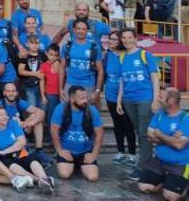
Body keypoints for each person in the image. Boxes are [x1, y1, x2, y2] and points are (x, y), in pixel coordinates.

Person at [138, 87, 189, 201]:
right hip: (159, 161)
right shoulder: (159, 115)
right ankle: (167, 180)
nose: (158, 99)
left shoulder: (187, 120)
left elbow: (179, 145)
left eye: (161, 97)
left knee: (171, 196)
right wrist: (171, 139)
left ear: (171, 101)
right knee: (144, 187)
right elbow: (150, 137)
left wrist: (161, 135)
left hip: (181, 164)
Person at [117, 27, 161, 178]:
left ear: (135, 38)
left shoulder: (145, 55)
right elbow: (122, 81)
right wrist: (119, 101)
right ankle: (147, 162)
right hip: (128, 100)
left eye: (130, 37)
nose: (127, 40)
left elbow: (155, 78)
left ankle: (143, 166)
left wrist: (155, 100)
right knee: (139, 131)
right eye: (124, 38)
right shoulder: (122, 58)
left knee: (144, 133)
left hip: (145, 98)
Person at [0, 105, 56, 192]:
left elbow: (22, 142)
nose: (5, 117)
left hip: (20, 153)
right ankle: (38, 181)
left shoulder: (13, 123)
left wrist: (5, 151)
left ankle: (45, 178)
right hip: (7, 158)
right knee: (10, 165)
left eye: (5, 114)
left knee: (32, 159)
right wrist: (5, 152)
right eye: (1, 115)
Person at [50, 85, 103, 182]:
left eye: (86, 97)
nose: (85, 101)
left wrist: (94, 154)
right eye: (82, 98)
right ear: (72, 99)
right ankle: (73, 165)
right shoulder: (60, 109)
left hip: (85, 151)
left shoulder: (92, 110)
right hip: (67, 151)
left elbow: (99, 133)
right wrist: (60, 151)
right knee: (64, 175)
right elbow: (54, 130)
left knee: (93, 177)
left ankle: (79, 165)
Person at [104, 31, 137, 167]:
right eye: (109, 39)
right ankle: (120, 151)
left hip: (126, 94)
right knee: (117, 124)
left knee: (128, 124)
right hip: (111, 94)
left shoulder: (126, 55)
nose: (110, 42)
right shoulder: (107, 55)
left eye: (113, 39)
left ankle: (132, 153)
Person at [0, 82, 49, 163]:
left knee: (37, 119)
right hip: (7, 133)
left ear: (16, 93)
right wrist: (18, 124)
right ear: (4, 93)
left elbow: (41, 112)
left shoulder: (19, 102)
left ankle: (39, 150)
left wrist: (27, 123)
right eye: (8, 91)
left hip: (21, 128)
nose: (11, 94)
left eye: (13, 91)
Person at [59, 19, 104, 104]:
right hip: (70, 84)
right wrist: (60, 88)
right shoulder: (67, 46)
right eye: (78, 28)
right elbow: (62, 67)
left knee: (86, 114)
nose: (81, 31)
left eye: (83, 29)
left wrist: (97, 91)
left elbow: (101, 70)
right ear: (74, 30)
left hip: (88, 86)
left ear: (87, 31)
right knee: (67, 113)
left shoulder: (94, 47)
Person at [17, 35, 47, 109]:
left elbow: (51, 60)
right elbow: (20, 71)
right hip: (28, 86)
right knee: (32, 108)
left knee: (42, 107)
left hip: (41, 86)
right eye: (32, 43)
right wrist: (35, 73)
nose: (34, 45)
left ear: (39, 44)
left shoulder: (42, 55)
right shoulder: (25, 56)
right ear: (27, 44)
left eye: (37, 43)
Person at [40, 43, 62, 129]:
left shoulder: (60, 64)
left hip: (60, 93)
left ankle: (57, 133)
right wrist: (43, 96)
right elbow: (41, 81)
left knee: (58, 115)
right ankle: (50, 136)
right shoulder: (44, 65)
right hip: (50, 94)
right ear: (46, 53)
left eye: (55, 55)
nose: (52, 57)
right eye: (51, 54)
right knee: (51, 115)